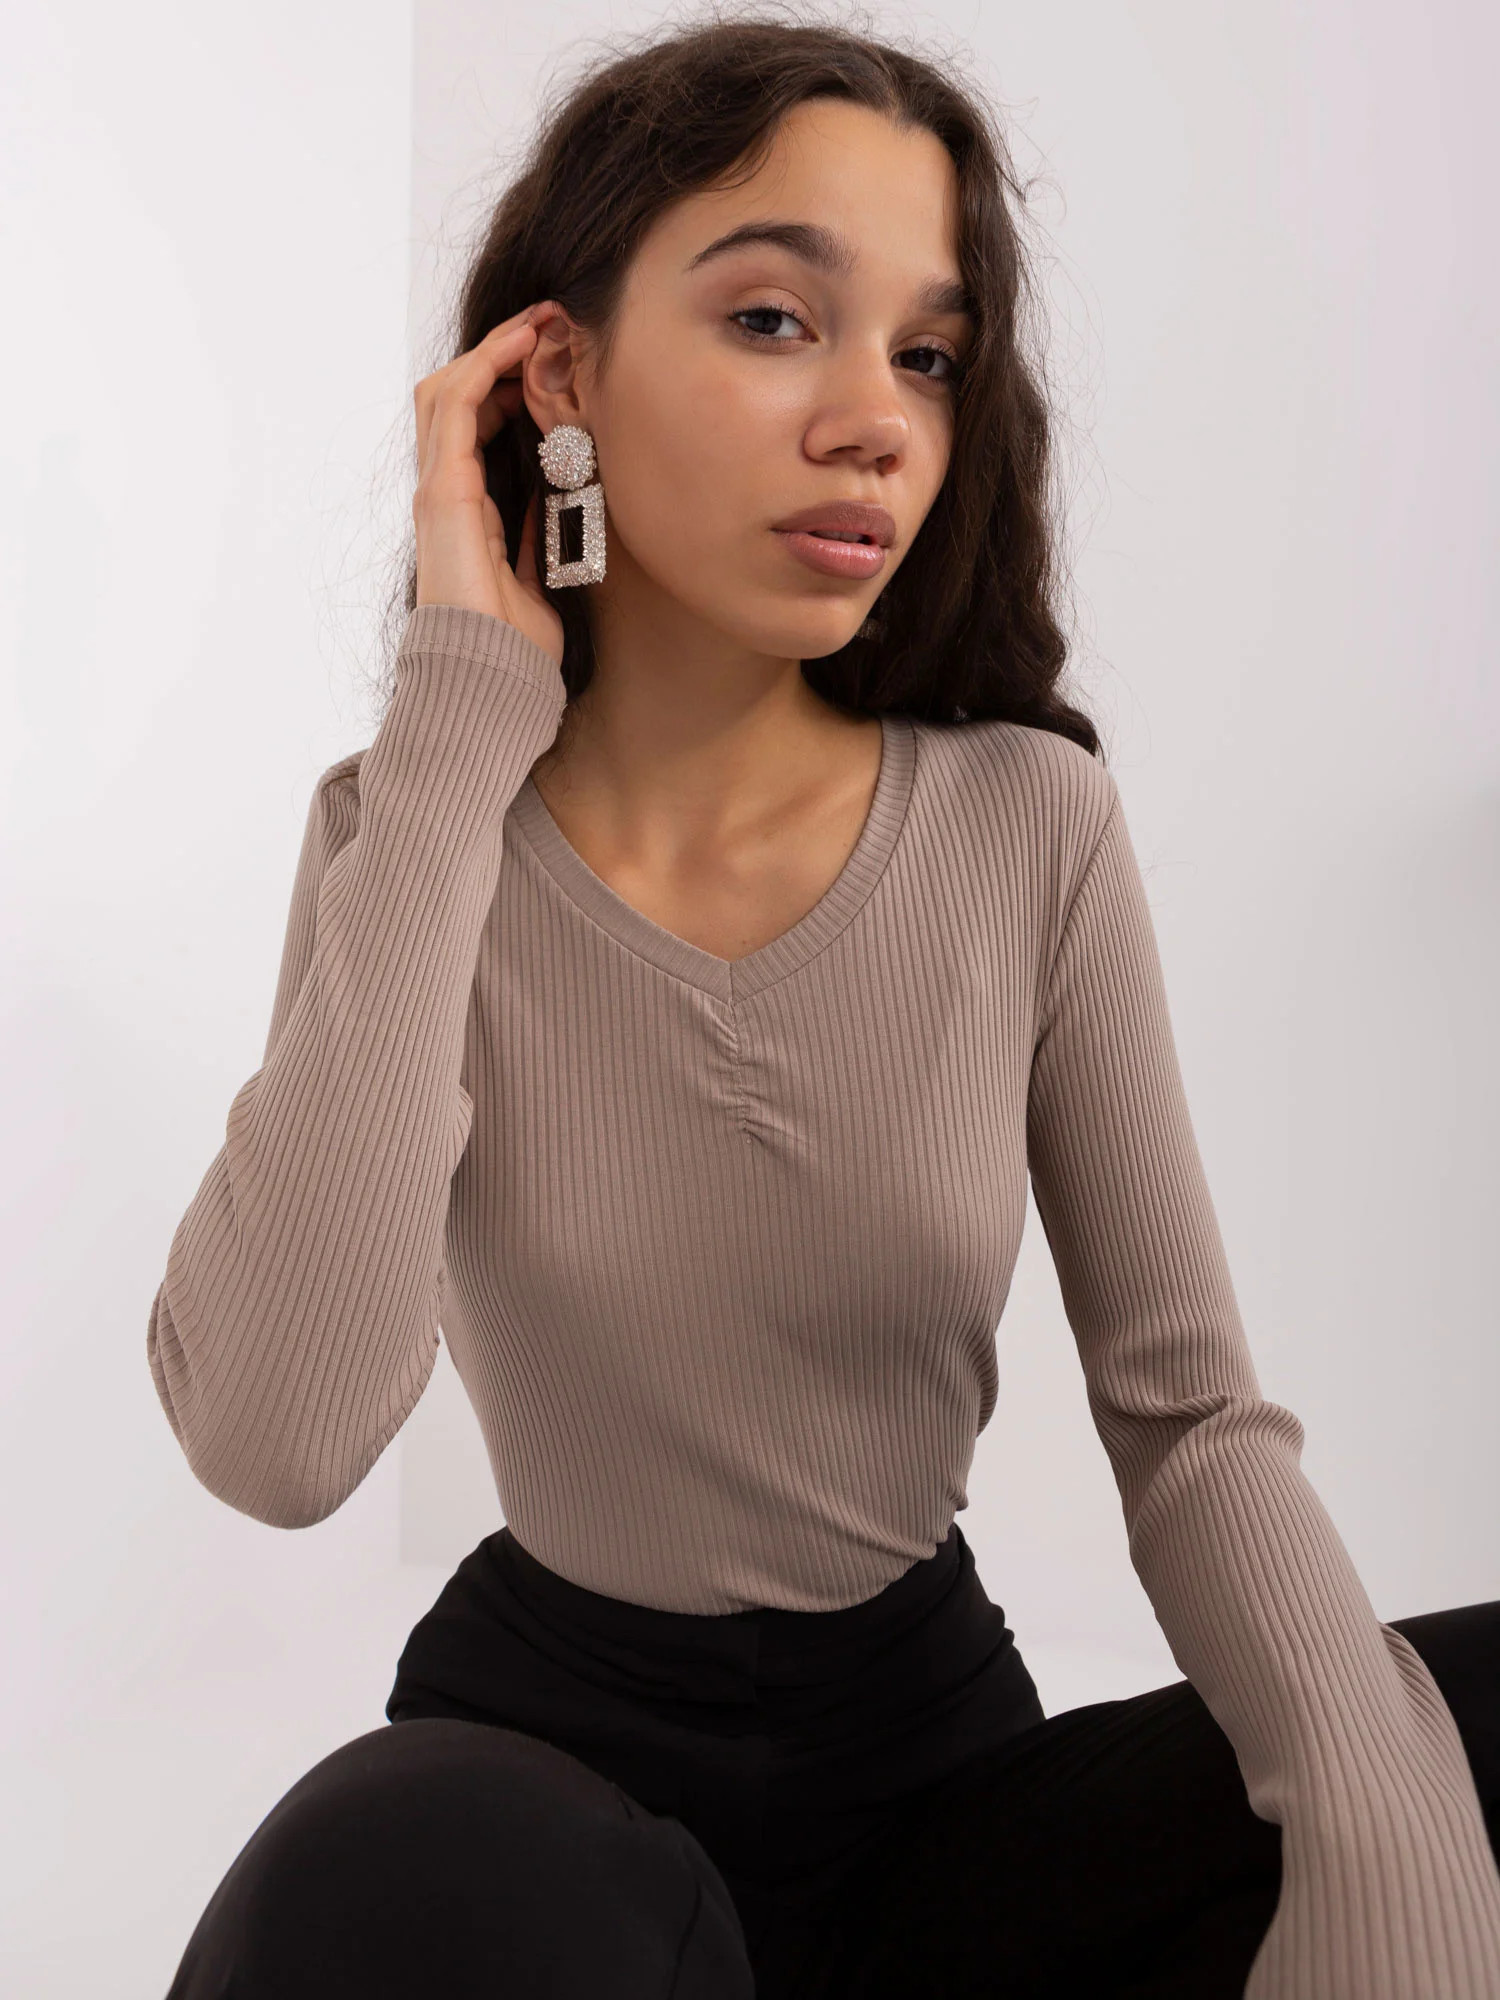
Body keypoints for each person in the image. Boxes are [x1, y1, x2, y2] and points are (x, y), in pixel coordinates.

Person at [146, 16, 1500, 1999]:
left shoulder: (1028, 822)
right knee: (377, 1873)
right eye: (778, 319)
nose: (876, 420)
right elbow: (277, 1435)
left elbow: (1188, 1416)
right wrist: (456, 724)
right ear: (560, 373)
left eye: (928, 355)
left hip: (935, 1801)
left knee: (1452, 1733)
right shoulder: (405, 831)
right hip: (547, 1806)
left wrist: (1379, 1822)